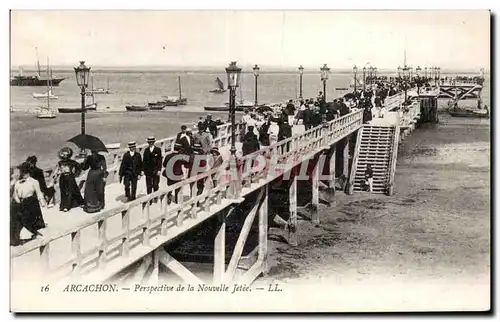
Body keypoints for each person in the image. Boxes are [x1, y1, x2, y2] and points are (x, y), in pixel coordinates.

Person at [12, 162, 46, 243]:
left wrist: (42, 201)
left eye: (25, 172)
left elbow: (39, 192)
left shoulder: (34, 181)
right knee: (21, 220)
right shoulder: (18, 183)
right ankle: (18, 238)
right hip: (22, 202)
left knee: (30, 220)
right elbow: (15, 194)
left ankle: (36, 234)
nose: (23, 174)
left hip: (32, 202)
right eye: (22, 172)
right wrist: (18, 201)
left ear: (29, 172)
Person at [54, 147, 84, 212]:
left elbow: (79, 167)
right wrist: (55, 177)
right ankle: (64, 205)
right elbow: (57, 171)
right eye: (63, 155)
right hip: (62, 178)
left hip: (70, 177)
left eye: (65, 155)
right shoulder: (59, 163)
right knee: (63, 191)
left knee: (73, 190)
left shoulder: (72, 162)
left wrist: (76, 173)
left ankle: (76, 204)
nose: (64, 156)